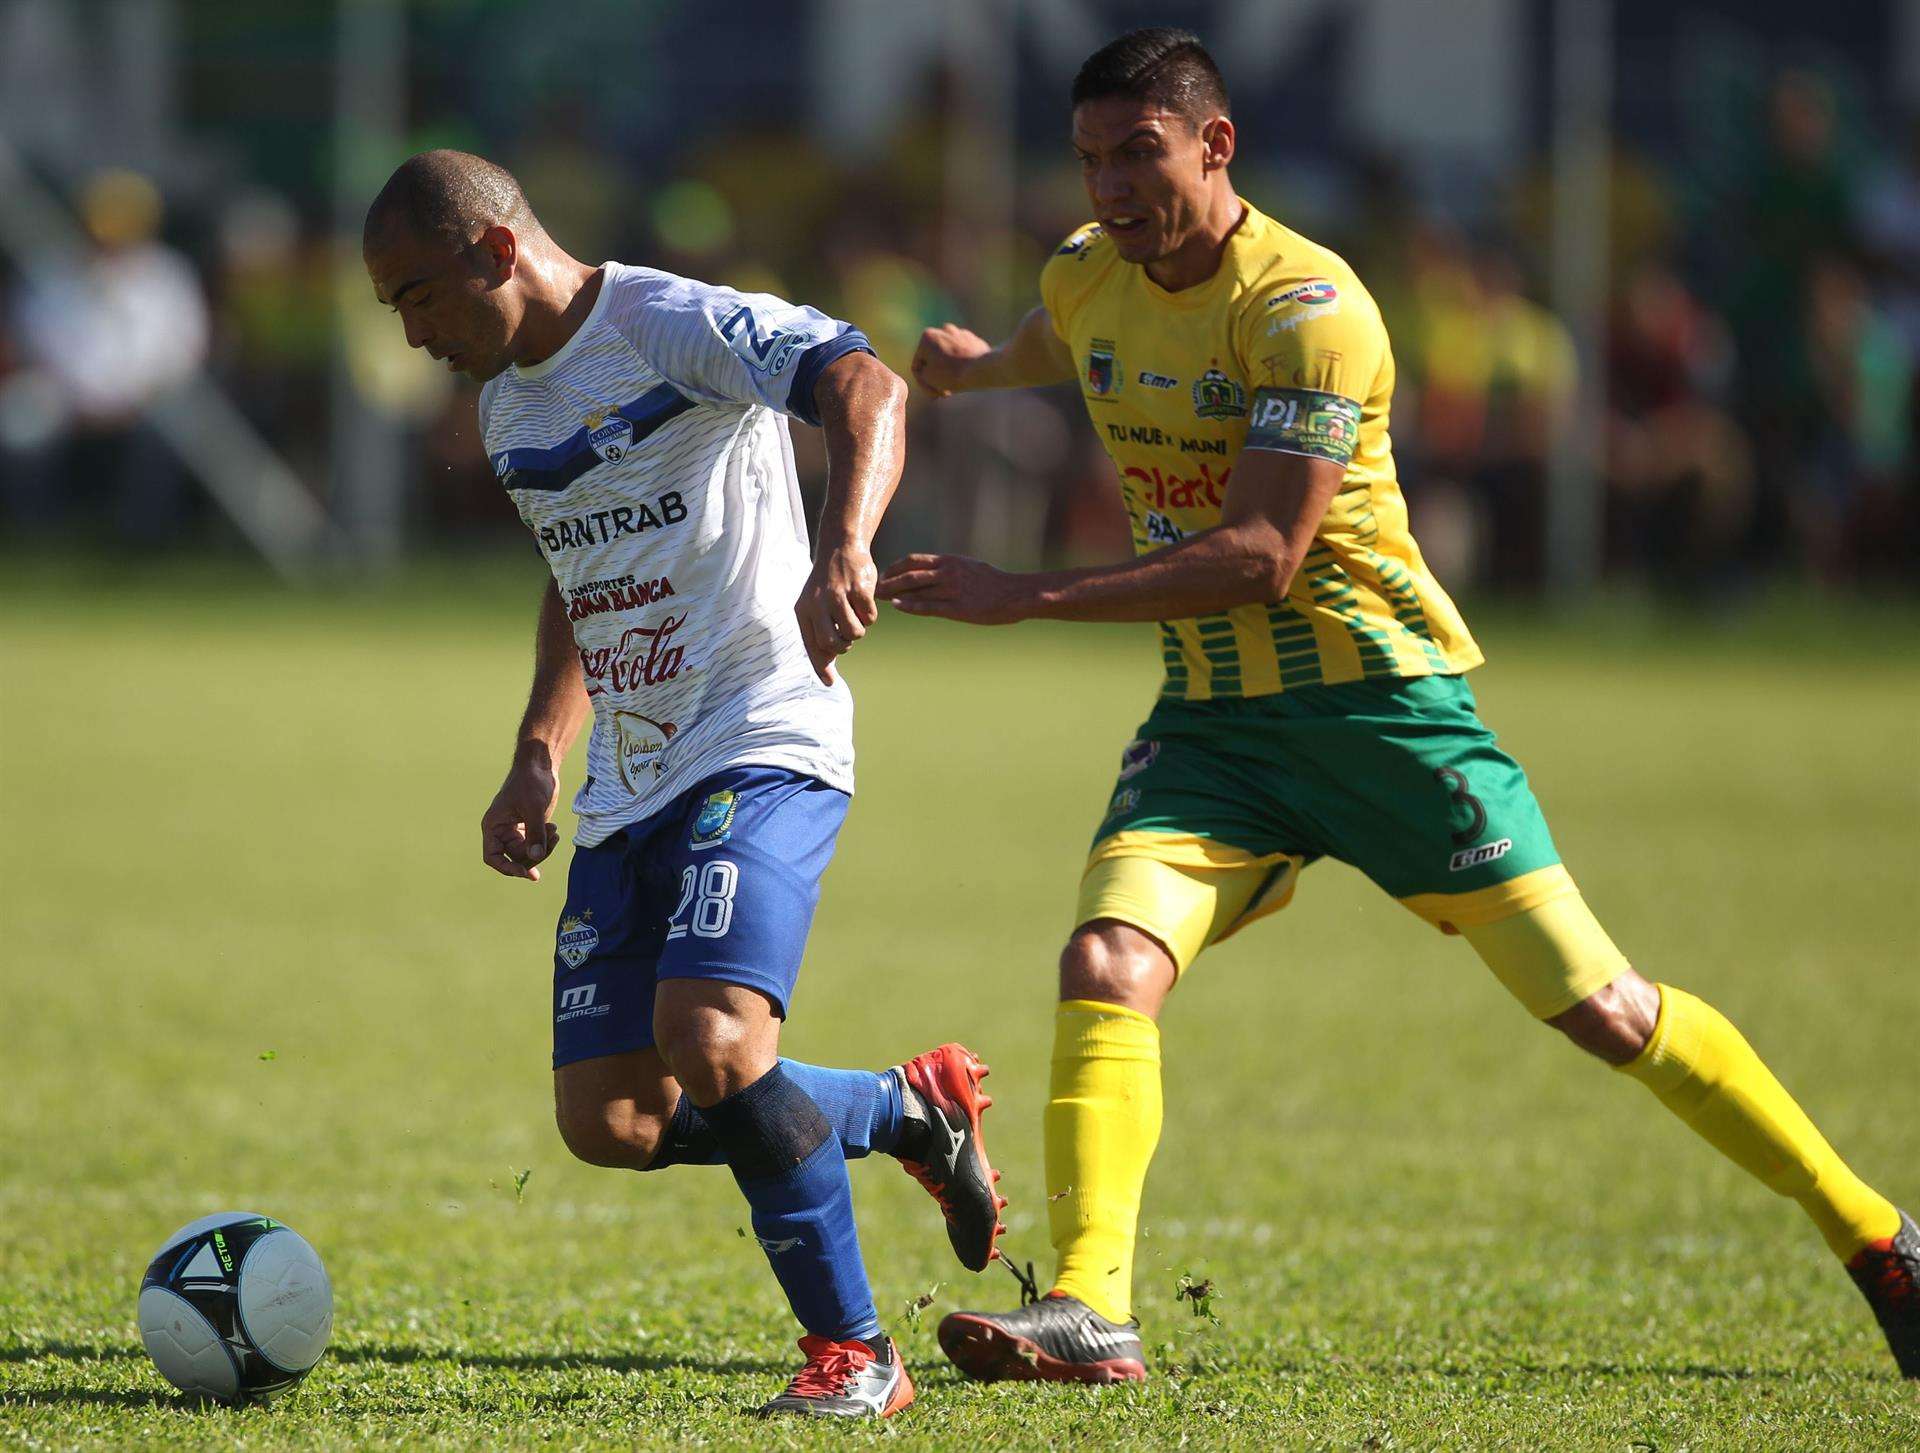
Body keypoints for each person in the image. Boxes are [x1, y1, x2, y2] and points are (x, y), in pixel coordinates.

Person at [890, 30, 1918, 1384]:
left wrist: (1019, 594)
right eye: (1090, 158)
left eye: (1138, 153)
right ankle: (1091, 1306)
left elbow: (1263, 553)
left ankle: (1878, 1237)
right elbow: (1064, 334)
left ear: (1217, 144)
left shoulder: (1311, 307)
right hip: (1217, 729)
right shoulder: (1089, 270)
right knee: (1107, 965)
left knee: (1602, 1008)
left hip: (1384, 713)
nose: (1112, 187)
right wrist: (970, 366)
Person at [363, 150, 1006, 1419]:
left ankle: (859, 1359)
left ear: (497, 250)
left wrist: (845, 550)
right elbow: (580, 573)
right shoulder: (509, 410)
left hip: (764, 731)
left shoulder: (665, 323)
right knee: (613, 1117)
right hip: (632, 772)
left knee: (712, 1041)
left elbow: (864, 381)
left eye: (419, 297)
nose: (413, 332)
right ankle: (901, 1107)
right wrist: (540, 748)